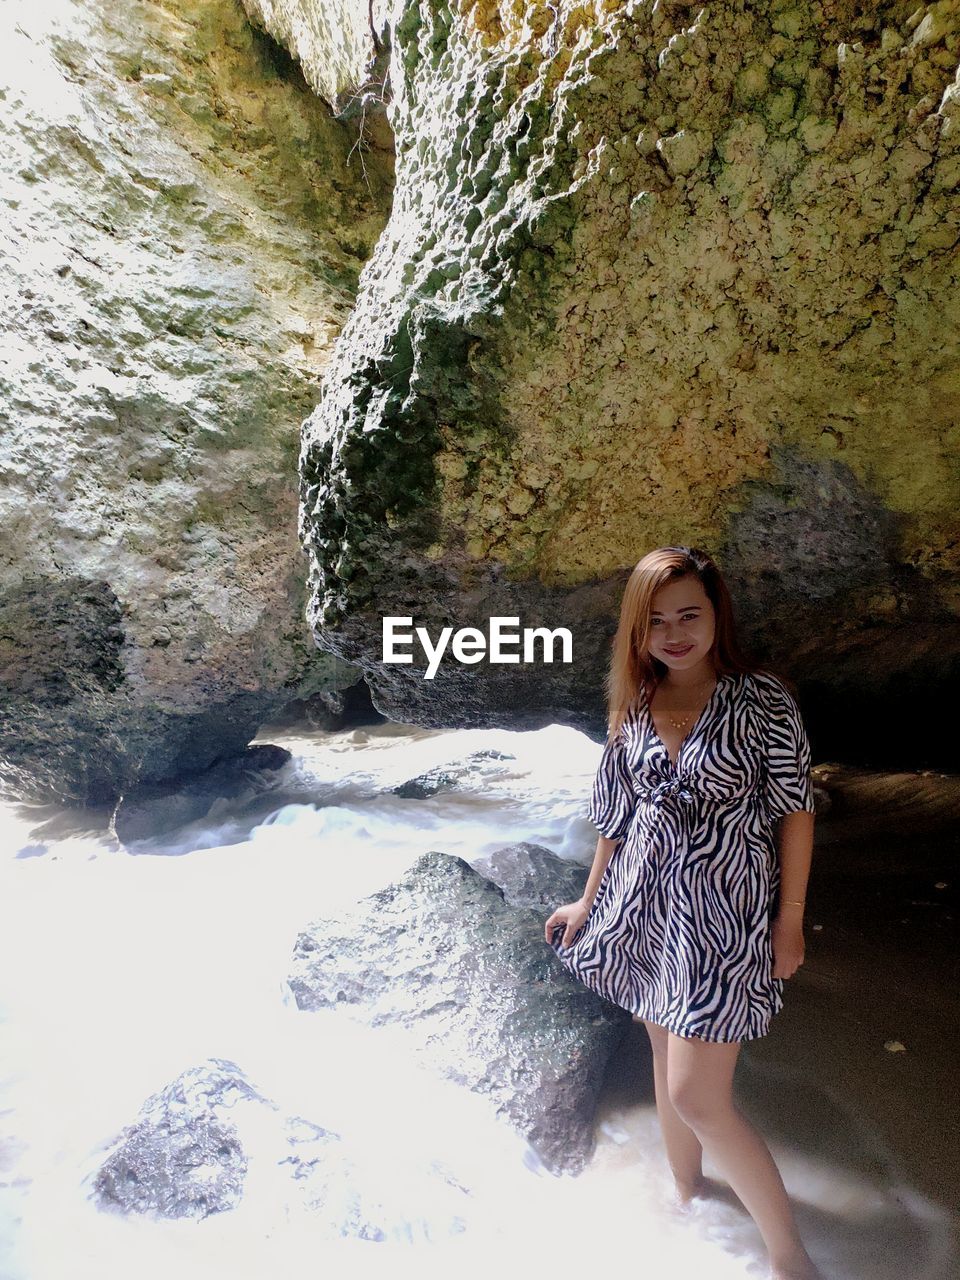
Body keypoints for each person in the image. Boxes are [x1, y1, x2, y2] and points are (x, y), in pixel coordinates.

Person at [544, 545, 822, 1280]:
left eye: (688, 614)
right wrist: (587, 898)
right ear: (638, 631)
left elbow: (795, 810)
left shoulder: (762, 699)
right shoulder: (633, 706)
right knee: (666, 1057)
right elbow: (615, 819)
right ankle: (687, 1200)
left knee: (699, 1096)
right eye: (657, 620)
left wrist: (788, 918)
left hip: (725, 919)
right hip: (645, 913)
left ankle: (791, 1259)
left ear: (714, 616)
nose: (674, 632)